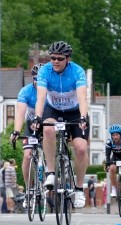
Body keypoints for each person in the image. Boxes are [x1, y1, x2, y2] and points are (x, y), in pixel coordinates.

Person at [33, 41, 89, 208]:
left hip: (74, 111)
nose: (55, 61)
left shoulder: (77, 71)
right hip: (54, 110)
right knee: (48, 129)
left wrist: (84, 116)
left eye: (59, 58)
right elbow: (41, 98)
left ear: (68, 59)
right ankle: (51, 172)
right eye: (52, 58)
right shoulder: (45, 71)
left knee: (80, 148)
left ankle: (79, 189)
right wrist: (37, 117)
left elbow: (82, 98)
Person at [10, 63, 44, 193]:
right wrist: (17, 131)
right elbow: (20, 113)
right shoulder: (25, 91)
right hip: (31, 126)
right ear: (32, 79)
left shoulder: (51, 90)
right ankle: (29, 189)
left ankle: (49, 174)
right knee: (27, 156)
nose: (38, 82)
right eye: (36, 79)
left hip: (46, 124)